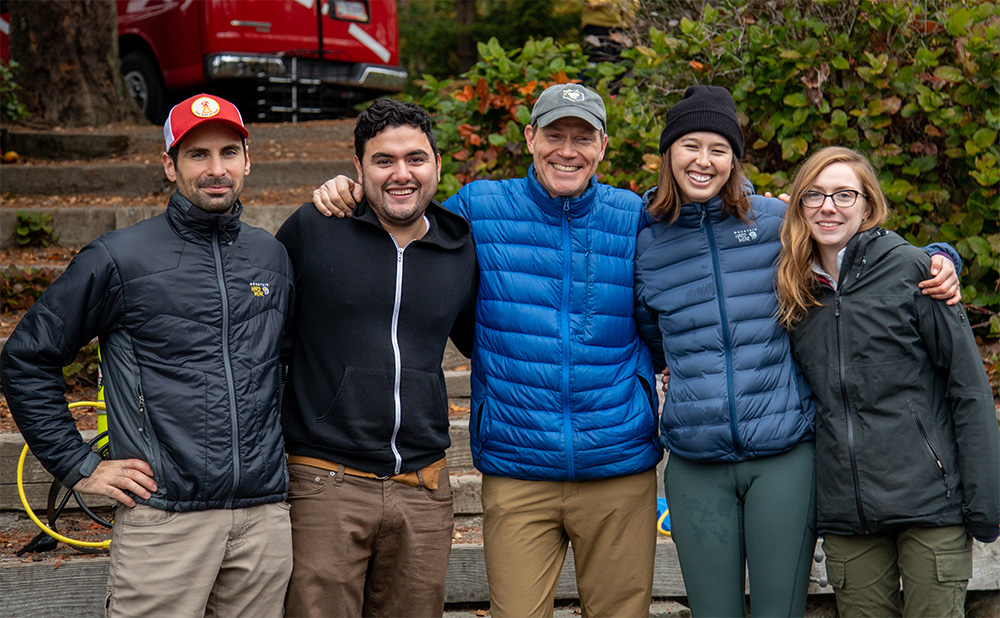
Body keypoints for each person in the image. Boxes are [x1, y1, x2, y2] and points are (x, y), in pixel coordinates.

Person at [312, 83, 663, 617]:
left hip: (617, 461)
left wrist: (757, 201)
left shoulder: (631, 214)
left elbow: (700, 226)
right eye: (554, 135)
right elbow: (401, 213)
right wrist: (348, 190)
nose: (567, 150)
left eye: (582, 138)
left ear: (603, 147)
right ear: (529, 138)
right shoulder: (479, 207)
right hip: (518, 464)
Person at [632, 85, 961, 617]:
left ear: (735, 159)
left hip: (783, 452)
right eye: (689, 145)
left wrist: (940, 259)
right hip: (695, 456)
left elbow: (856, 251)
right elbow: (651, 332)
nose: (703, 160)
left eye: (719, 148)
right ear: (668, 153)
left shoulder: (776, 223)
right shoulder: (645, 237)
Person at [0, 94, 294, 616]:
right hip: (165, 521)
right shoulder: (119, 257)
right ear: (169, 165)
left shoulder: (269, 256)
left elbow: (285, 365)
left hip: (262, 522)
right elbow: (26, 357)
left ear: (248, 159)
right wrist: (78, 464)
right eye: (197, 155)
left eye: (228, 152)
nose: (216, 169)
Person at [775, 146, 1000, 617]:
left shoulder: (917, 272)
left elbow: (969, 388)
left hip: (930, 505)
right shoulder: (795, 289)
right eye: (813, 195)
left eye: (843, 194)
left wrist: (985, 503)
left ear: (868, 204)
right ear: (798, 206)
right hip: (847, 516)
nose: (828, 206)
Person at [275, 98, 477, 617]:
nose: (401, 173)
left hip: (424, 485)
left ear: (437, 164)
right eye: (383, 160)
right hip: (325, 479)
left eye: (416, 158)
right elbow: (268, 337)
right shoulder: (314, 229)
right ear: (358, 169)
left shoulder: (461, 249)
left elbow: (482, 340)